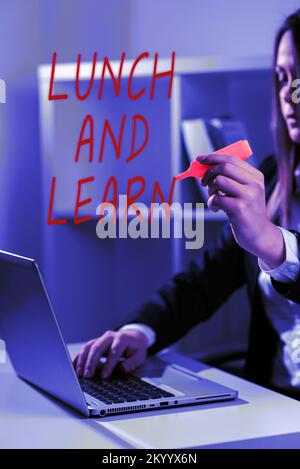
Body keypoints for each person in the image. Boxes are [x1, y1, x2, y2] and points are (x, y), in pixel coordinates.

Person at [74, 9, 300, 399]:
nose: (288, 92)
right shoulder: (273, 177)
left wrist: (271, 242)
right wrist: (138, 332)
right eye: (282, 77)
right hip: (276, 403)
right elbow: (201, 283)